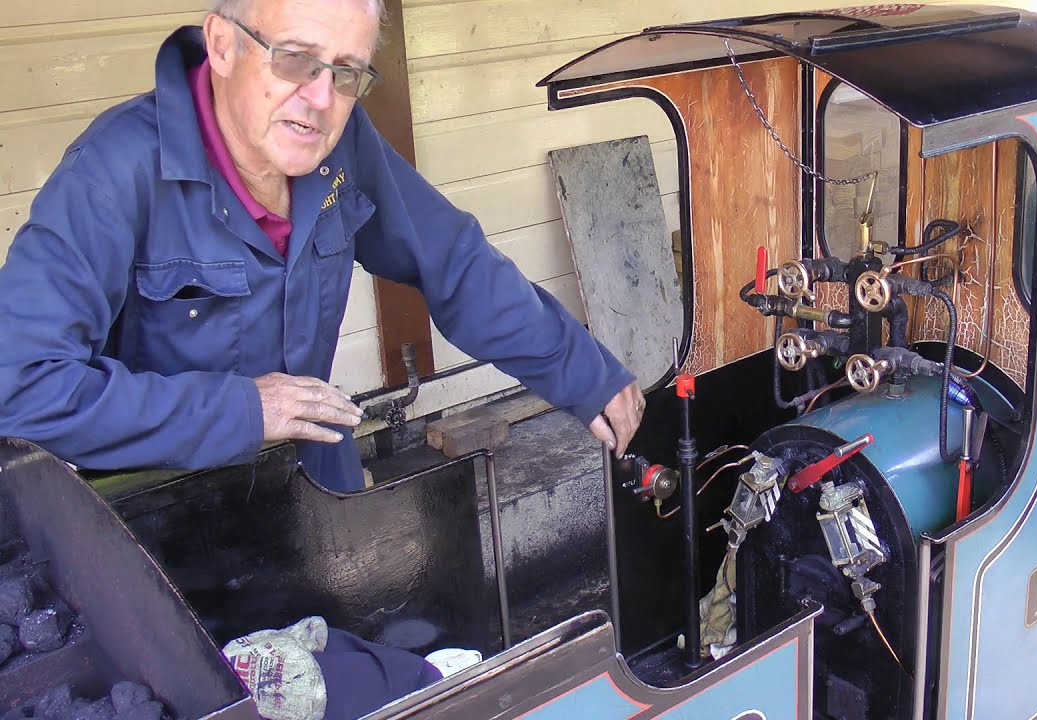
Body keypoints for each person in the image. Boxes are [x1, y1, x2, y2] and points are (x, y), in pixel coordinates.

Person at [0, 0, 646, 491]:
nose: (320, 99)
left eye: (345, 73)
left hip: (315, 486)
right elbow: (20, 389)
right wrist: (241, 409)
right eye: (295, 60)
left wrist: (583, 372)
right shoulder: (112, 172)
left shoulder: (340, 143)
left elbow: (453, 260)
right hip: (157, 519)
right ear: (223, 44)